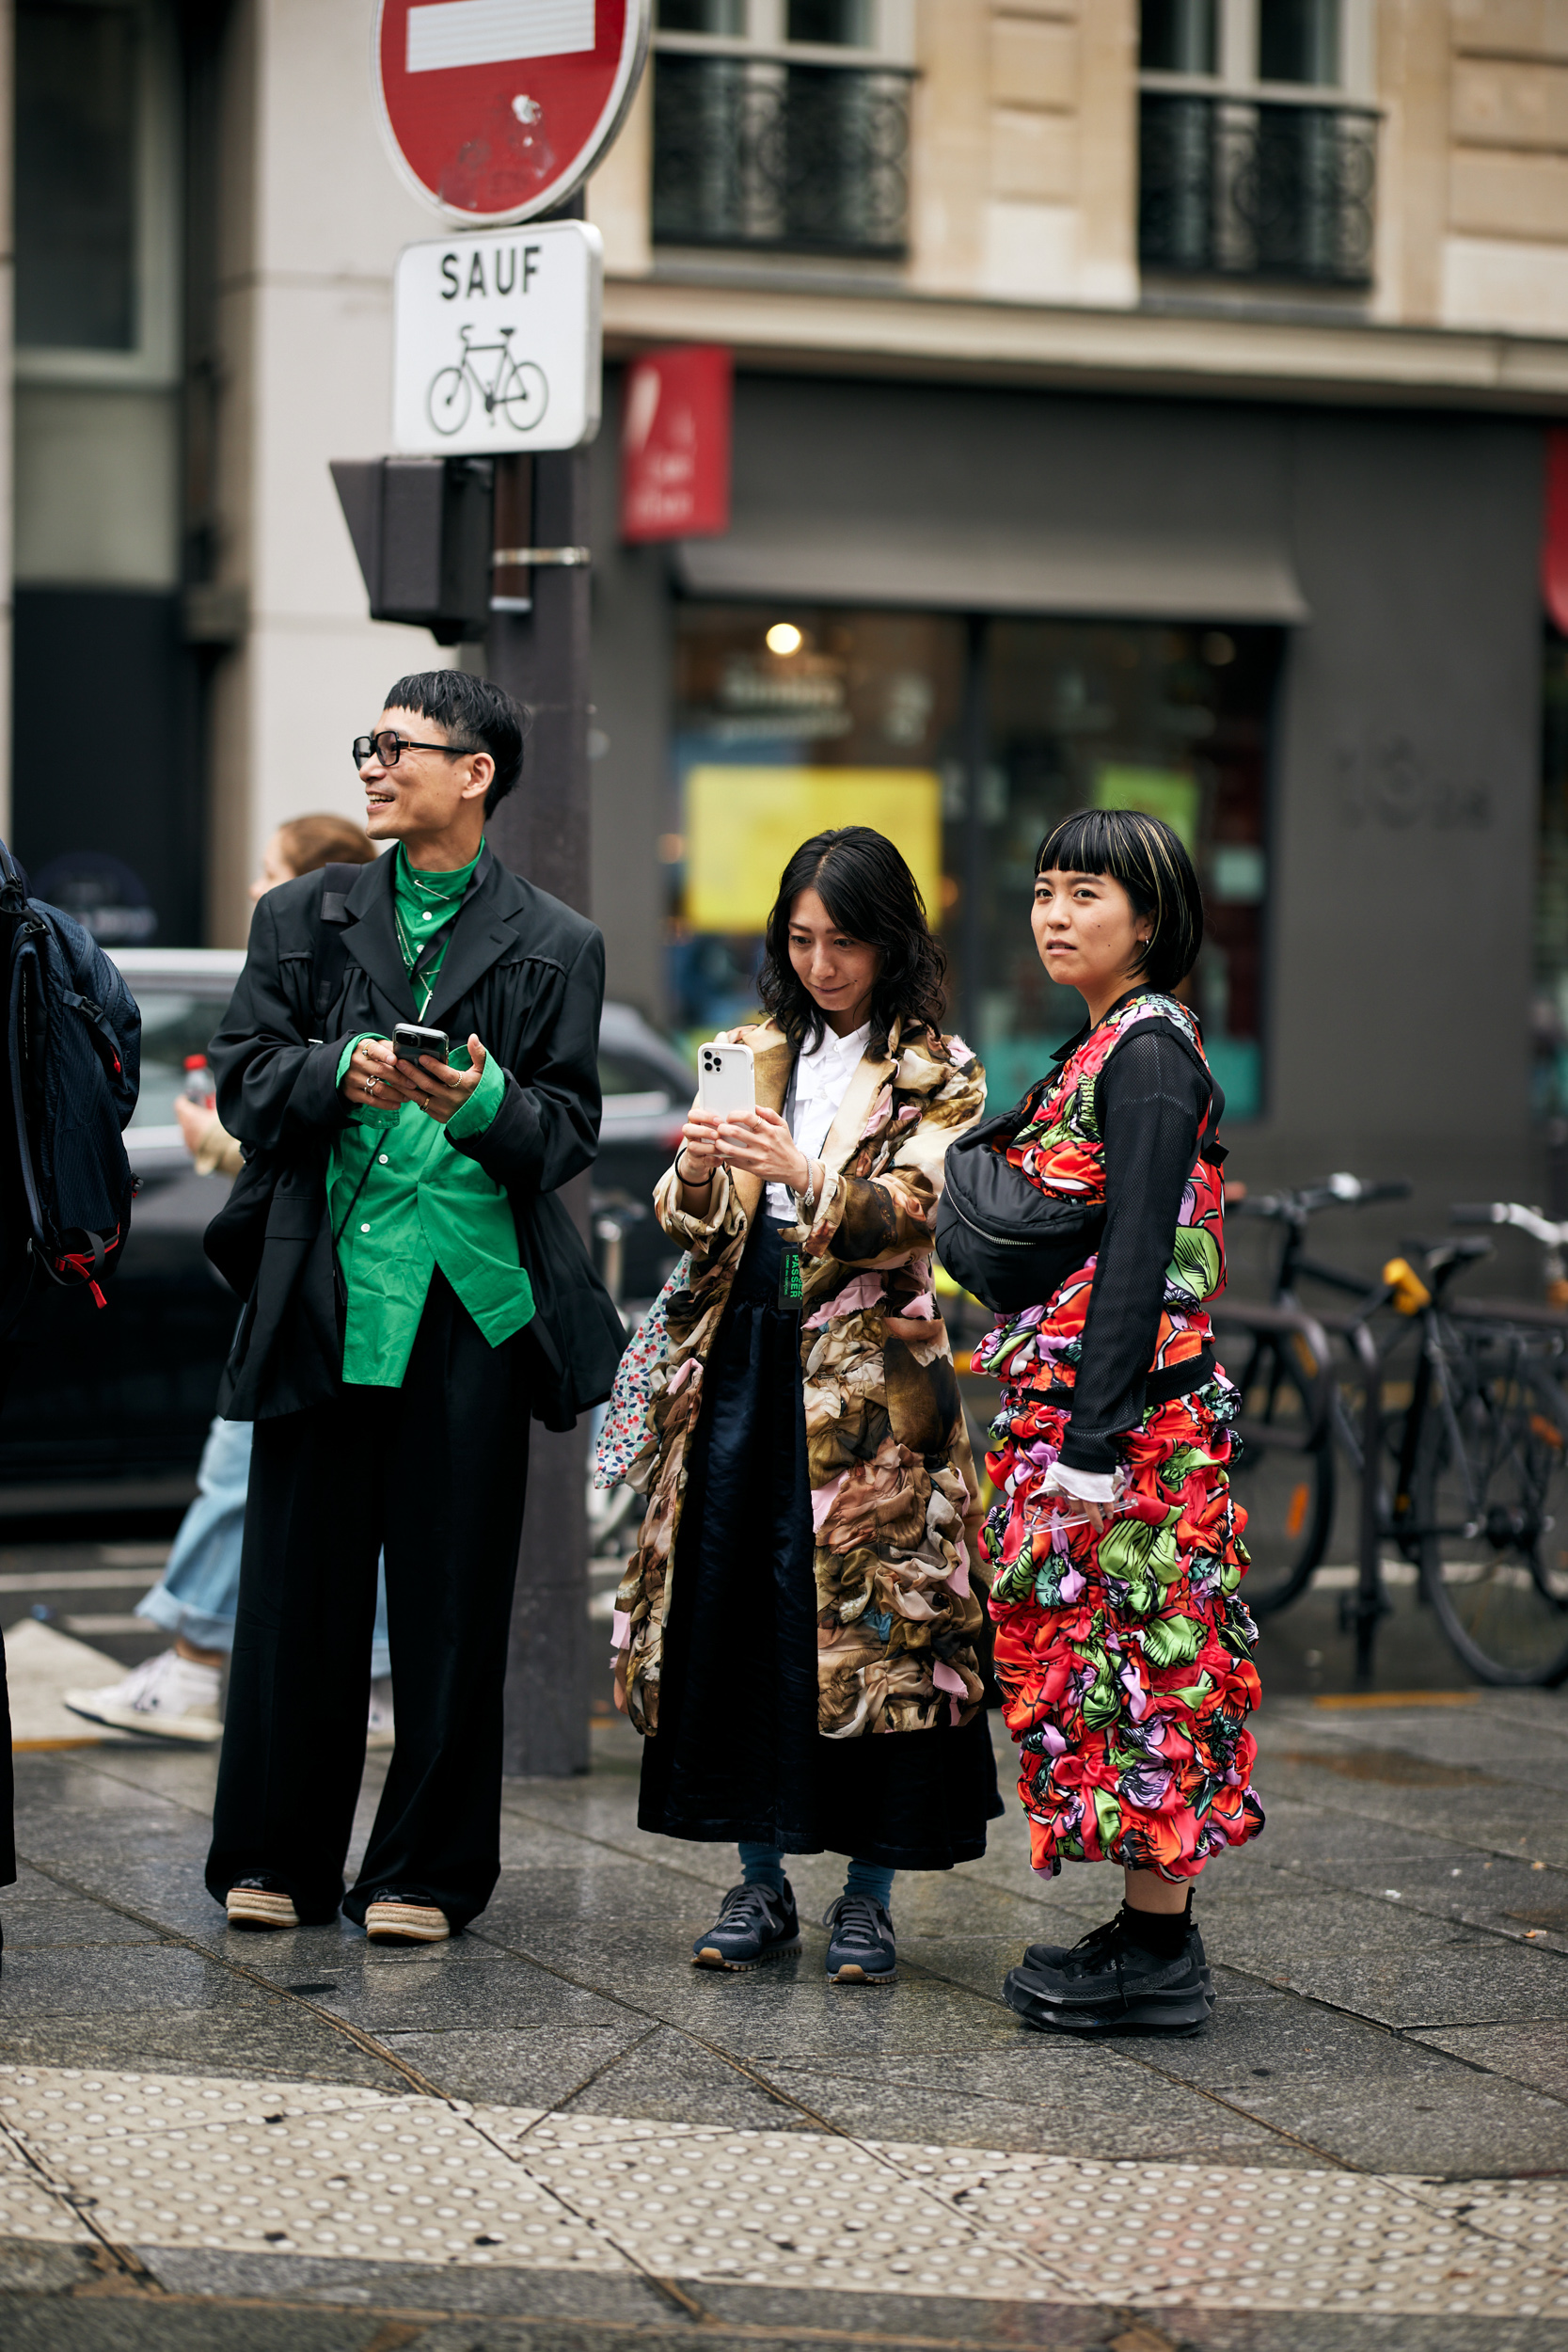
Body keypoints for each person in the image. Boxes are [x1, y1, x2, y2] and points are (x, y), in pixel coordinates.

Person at [203, 671, 607, 1945]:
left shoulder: (555, 941)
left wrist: (482, 1104)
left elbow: (566, 1134)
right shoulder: (300, 916)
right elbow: (244, 1082)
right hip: (325, 1293)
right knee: (294, 1595)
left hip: (466, 1311)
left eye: (399, 748)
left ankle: (425, 1873)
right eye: (367, 746)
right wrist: (336, 1069)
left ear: (474, 772)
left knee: (448, 1606)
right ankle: (275, 1852)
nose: (373, 766)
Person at [614, 826, 999, 1987]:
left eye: (845, 939)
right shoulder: (744, 1050)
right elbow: (691, 1221)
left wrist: (800, 1176)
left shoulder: (942, 1070)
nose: (823, 961)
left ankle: (869, 1898)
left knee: (876, 1623)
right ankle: (759, 1880)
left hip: (876, 1388)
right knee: (733, 1612)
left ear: (891, 941)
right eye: (801, 938)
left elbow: (913, 1214)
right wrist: (692, 1169)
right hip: (738, 1362)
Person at [973, 807, 1259, 2038]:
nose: (1053, 913)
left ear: (1147, 919)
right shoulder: (1103, 1046)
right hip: (1100, 1426)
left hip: (1130, 1436)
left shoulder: (1145, 1053)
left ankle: (1159, 1956)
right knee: (1108, 1677)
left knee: (1148, 1672)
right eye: (1043, 890)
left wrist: (1088, 1450)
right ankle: (1147, 1932)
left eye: (1083, 892)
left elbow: (1137, 1253)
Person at [62, 817, 395, 1747]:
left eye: (270, 872)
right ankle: (345, 1678)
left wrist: (219, 1143)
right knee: (297, 1468)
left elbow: (315, 1135)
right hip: (325, 1265)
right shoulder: (322, 973)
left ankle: (198, 1667)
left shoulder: (320, 979)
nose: (257, 889)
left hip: (318, 1267)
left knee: (240, 1459)